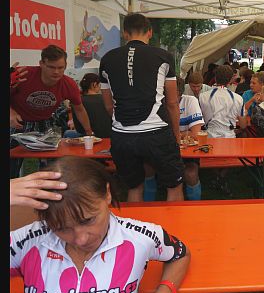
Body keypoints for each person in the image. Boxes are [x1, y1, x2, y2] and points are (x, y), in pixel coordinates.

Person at [10, 156, 191, 293]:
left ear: (107, 194)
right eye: (61, 228)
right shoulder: (27, 242)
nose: (81, 239)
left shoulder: (140, 236)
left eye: (88, 220)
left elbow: (180, 253)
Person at [99, 13, 185, 202]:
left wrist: (123, 123)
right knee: (174, 185)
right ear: (150, 32)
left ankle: (134, 223)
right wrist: (176, 136)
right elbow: (172, 103)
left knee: (134, 187)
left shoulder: (107, 59)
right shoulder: (163, 56)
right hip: (157, 131)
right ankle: (173, 222)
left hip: (122, 135)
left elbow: (108, 105)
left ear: (125, 33)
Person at [10, 45, 94, 178]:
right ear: (41, 64)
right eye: (51, 67)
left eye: (60, 68)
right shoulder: (22, 74)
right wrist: (10, 112)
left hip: (45, 122)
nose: (56, 72)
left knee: (52, 167)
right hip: (18, 122)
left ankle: (48, 189)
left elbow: (79, 109)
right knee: (10, 165)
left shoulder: (68, 84)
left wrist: (89, 133)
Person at [144, 76, 205, 201]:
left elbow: (195, 133)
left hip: (187, 152)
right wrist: (182, 134)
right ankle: (146, 207)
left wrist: (172, 135)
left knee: (190, 174)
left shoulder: (190, 101)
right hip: (163, 150)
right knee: (147, 169)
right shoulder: (157, 103)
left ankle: (196, 208)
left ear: (178, 92)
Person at [199, 64, 245, 196]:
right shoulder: (238, 98)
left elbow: (200, 119)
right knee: (230, 155)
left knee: (211, 158)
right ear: (231, 79)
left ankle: (217, 178)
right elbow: (243, 125)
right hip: (229, 138)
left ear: (215, 77)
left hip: (209, 137)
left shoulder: (203, 96)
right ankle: (222, 178)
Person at [67, 73, 112, 139]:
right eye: (99, 84)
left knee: (67, 133)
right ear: (94, 84)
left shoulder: (78, 101)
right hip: (108, 136)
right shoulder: (106, 99)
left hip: (86, 138)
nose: (100, 87)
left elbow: (78, 128)